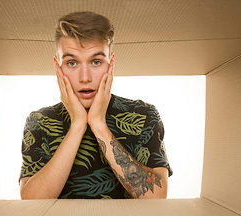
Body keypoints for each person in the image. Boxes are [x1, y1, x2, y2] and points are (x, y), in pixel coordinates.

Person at [19, 11, 172, 199]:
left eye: (96, 62)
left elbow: (157, 197)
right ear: (57, 67)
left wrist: (99, 125)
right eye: (72, 63)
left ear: (111, 64)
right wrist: (77, 125)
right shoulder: (40, 121)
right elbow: (30, 202)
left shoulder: (144, 115)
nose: (85, 78)